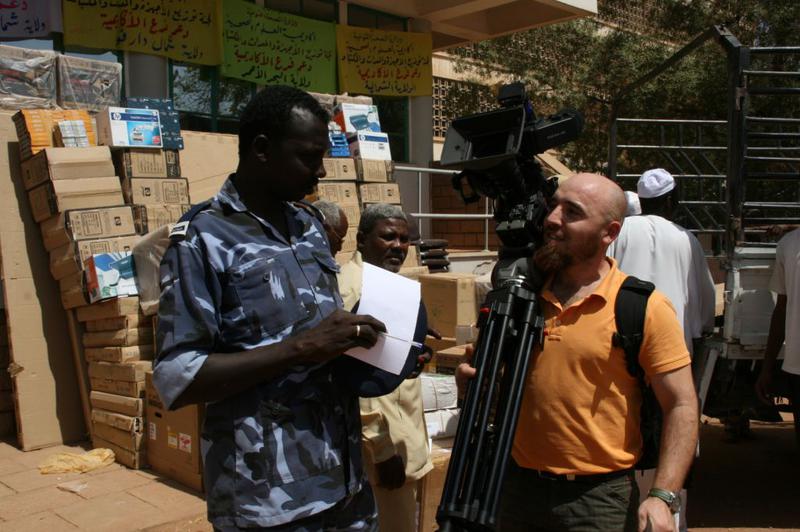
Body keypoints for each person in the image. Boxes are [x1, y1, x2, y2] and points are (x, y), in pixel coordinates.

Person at [153, 85, 386, 531]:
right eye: (308, 156)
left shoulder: (308, 226)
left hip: (346, 485)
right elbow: (177, 378)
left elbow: (322, 333)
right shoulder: (200, 242)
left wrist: (382, 347)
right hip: (269, 503)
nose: (320, 171)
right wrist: (301, 348)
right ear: (261, 149)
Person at [456, 173, 699, 532]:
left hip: (598, 502)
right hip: (514, 487)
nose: (552, 219)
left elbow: (681, 404)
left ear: (609, 233)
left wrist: (663, 495)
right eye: (553, 206)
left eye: (572, 212)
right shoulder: (519, 297)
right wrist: (475, 385)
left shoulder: (641, 307)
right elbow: (502, 389)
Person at [608, 168, 715, 531]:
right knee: (673, 441)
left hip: (620, 361)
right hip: (670, 363)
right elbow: (702, 310)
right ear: (672, 201)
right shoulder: (687, 239)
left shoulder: (618, 231)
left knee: (626, 447)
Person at [338, 204, 433, 532]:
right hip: (381, 454)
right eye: (388, 237)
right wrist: (382, 449)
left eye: (405, 239)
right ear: (362, 239)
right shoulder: (356, 290)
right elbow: (355, 380)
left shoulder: (386, 284)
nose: (398, 246)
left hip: (402, 439)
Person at [756, 227, 800, 446]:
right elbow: (781, 310)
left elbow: (781, 309)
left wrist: (767, 368)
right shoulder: (788, 244)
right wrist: (767, 368)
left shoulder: (789, 243)